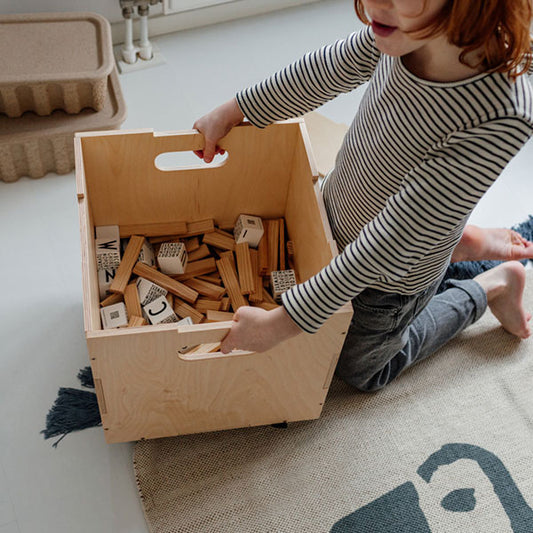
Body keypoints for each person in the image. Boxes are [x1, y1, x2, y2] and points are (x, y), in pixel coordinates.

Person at [193, 0, 533, 391]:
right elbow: (322, 71)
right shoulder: (405, 29)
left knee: (362, 371)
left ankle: (493, 284)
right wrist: (235, 109)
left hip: (391, 277)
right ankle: (459, 239)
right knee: (426, 220)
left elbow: (393, 240)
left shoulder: (500, 114)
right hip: (349, 208)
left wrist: (283, 322)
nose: (373, 4)